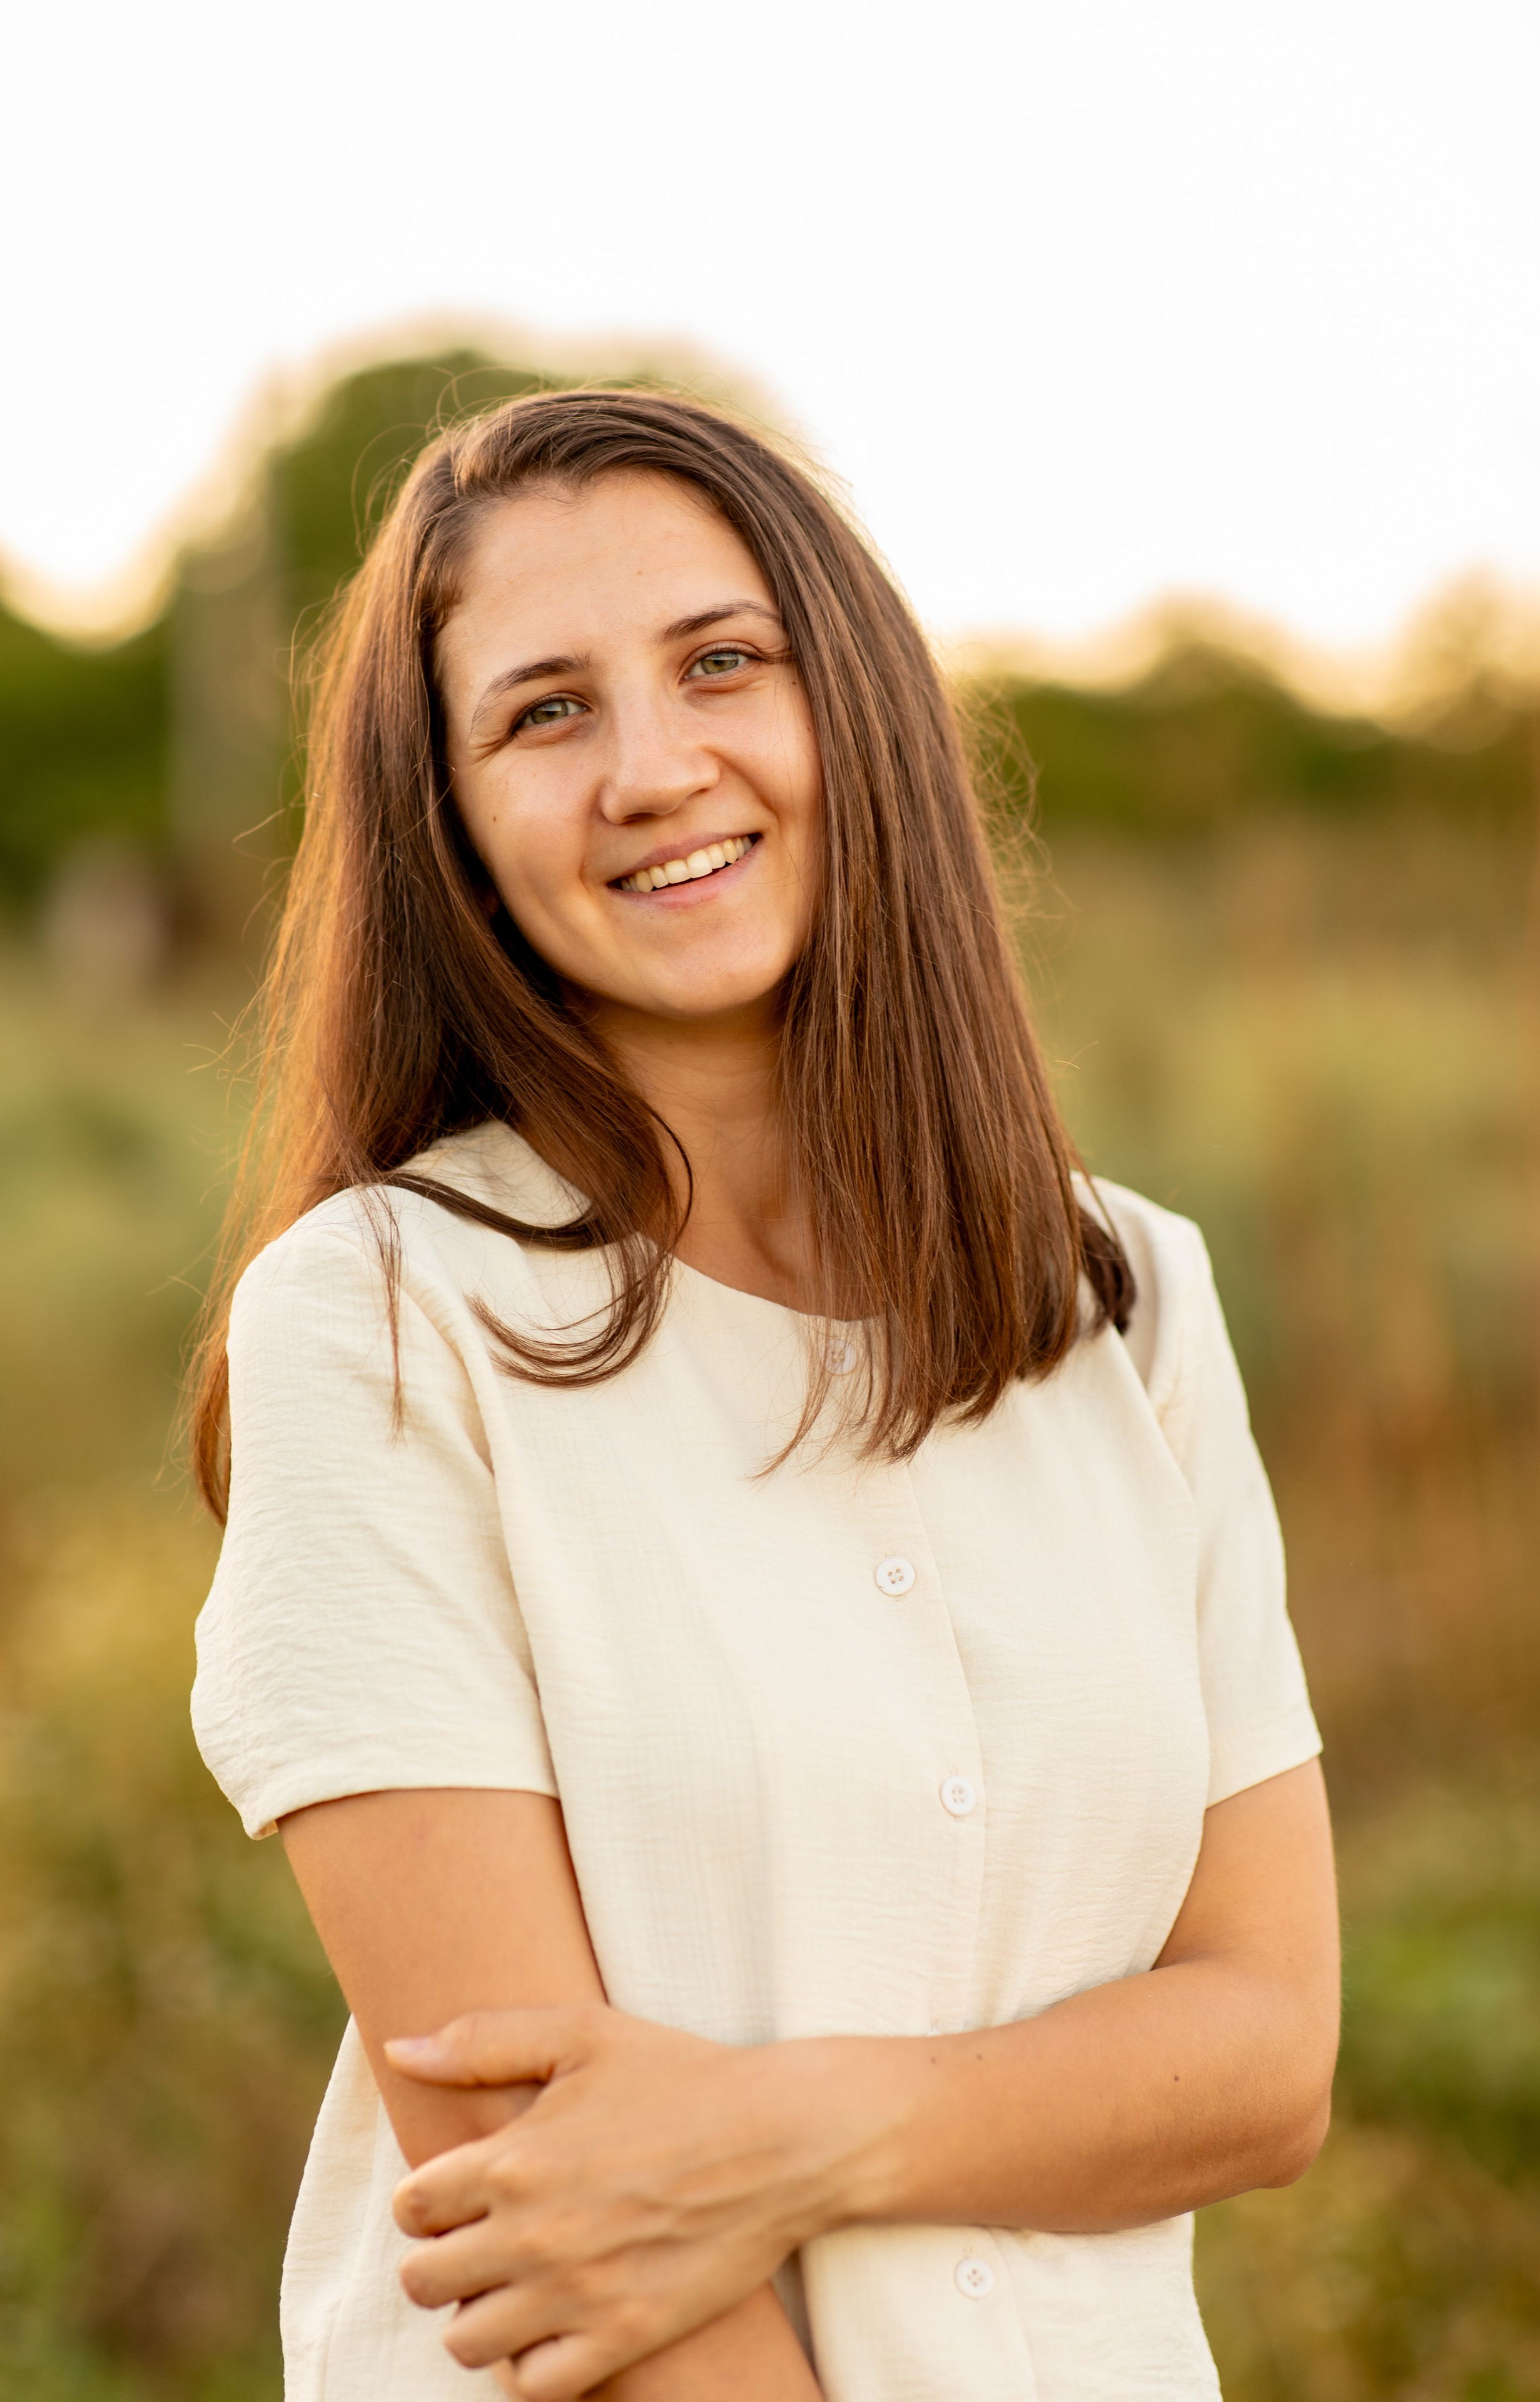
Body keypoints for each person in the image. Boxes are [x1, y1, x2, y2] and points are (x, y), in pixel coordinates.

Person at [189, 387, 1339, 2402]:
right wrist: (992, 2114)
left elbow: (1264, 2057)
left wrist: (790, 2131)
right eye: (543, 713)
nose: (654, 767)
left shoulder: (1129, 1296)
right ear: (447, 823)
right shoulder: (377, 1318)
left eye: (725, 662)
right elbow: (533, 2191)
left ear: (859, 711)